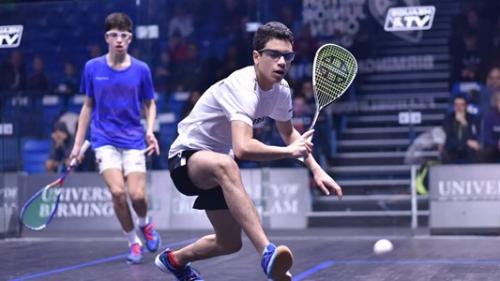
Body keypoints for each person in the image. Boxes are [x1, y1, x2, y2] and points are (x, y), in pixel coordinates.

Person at [155, 22, 342, 281]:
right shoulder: (242, 86)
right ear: (256, 56)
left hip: (218, 163)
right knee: (228, 165)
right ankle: (267, 252)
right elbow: (243, 148)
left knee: (229, 243)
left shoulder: (282, 91)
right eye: (274, 55)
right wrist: (288, 153)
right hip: (186, 158)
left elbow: (289, 134)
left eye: (287, 56)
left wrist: (316, 168)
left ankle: (174, 261)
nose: (282, 62)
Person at [70, 12, 161, 264]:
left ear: (130, 39)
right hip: (103, 140)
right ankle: (133, 242)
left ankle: (145, 224)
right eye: (113, 35)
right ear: (106, 38)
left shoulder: (142, 69)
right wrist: (77, 146)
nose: (118, 39)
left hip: (133, 140)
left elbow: (150, 104)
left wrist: (149, 130)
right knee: (118, 193)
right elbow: (87, 106)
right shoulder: (92, 67)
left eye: (123, 35)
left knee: (138, 196)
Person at [442, 95, 481, 163]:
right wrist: (465, 142)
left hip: (468, 150)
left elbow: (474, 138)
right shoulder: (448, 119)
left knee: (475, 153)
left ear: (466, 106)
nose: (458, 107)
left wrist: (464, 124)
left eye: (461, 105)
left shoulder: (473, 119)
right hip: (453, 149)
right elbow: (448, 140)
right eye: (456, 105)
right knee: (446, 153)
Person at [481, 91, 500, 162]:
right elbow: (487, 137)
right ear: (497, 103)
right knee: (486, 152)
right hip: (494, 146)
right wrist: (497, 143)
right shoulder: (489, 116)